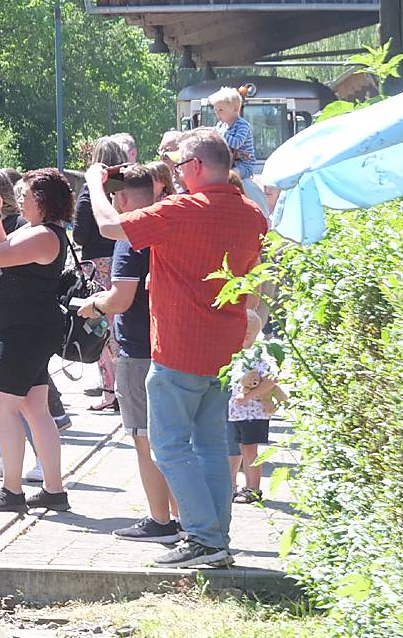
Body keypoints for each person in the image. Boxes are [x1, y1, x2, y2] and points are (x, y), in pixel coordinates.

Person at [85, 128, 267, 569]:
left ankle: (203, 536)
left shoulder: (181, 210)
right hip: (222, 352)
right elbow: (254, 281)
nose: (177, 173)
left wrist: (93, 181)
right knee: (211, 448)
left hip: (178, 350)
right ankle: (216, 539)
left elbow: (110, 227)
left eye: (181, 165)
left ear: (197, 166)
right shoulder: (251, 214)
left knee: (167, 447)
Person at [76, 162, 180, 544]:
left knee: (144, 437)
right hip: (172, 343)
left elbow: (121, 298)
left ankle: (161, 520)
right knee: (175, 439)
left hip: (137, 348)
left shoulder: (130, 236)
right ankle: (184, 517)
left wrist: (94, 304)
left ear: (120, 199)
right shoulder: (170, 224)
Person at [0, 169, 74, 514]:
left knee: (3, 406)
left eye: (26, 195)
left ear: (42, 200)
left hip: (24, 333)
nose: (20, 201)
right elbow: (1, 245)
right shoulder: (37, 230)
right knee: (34, 408)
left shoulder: (44, 235)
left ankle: (11, 490)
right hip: (27, 330)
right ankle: (53, 490)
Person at [75, 136, 133, 412]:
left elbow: (79, 233)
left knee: (100, 326)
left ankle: (110, 390)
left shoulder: (92, 189)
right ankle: (126, 387)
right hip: (123, 259)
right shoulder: (128, 185)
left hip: (97, 264)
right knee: (121, 325)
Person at [227, 347, 279, 505]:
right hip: (239, 414)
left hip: (254, 414)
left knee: (250, 451)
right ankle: (248, 487)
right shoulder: (239, 357)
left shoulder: (259, 356)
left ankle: (254, 489)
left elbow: (271, 380)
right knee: (245, 449)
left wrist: (248, 396)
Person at [209, 87, 270, 211]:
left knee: (231, 176)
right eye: (215, 110)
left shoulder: (242, 126)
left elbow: (236, 143)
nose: (217, 114)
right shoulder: (221, 126)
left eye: (221, 110)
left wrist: (220, 133)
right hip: (229, 162)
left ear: (236, 109)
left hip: (244, 165)